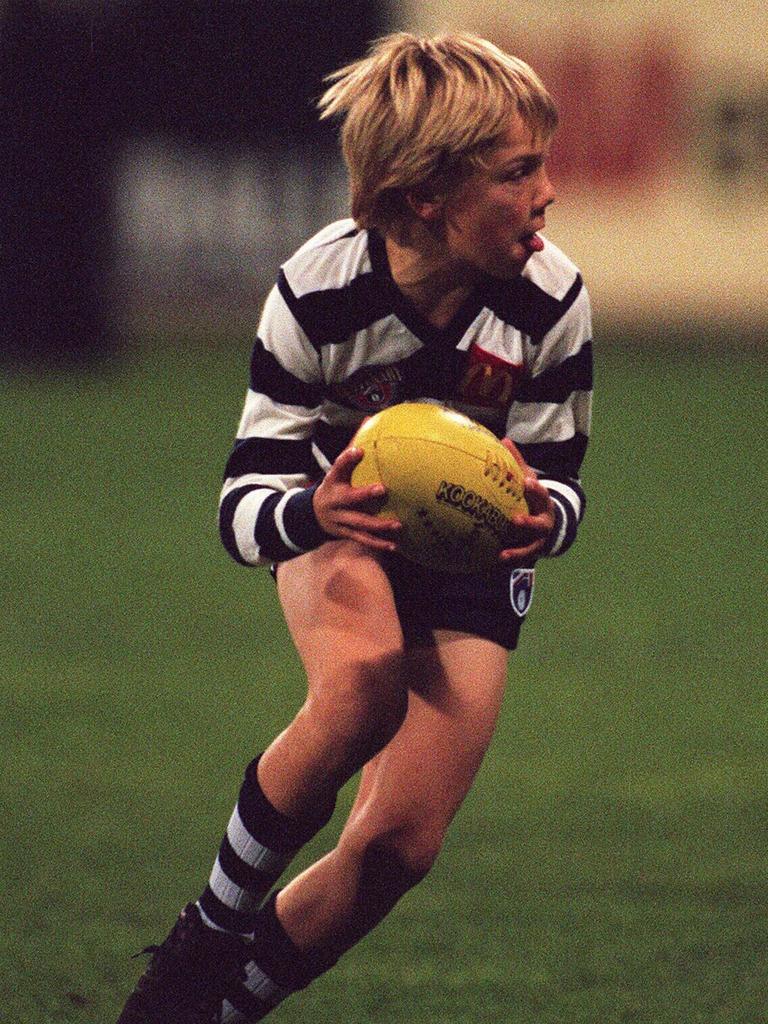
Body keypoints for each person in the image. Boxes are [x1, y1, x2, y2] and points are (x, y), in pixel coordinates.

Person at [116, 30, 592, 1024]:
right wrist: (314, 511)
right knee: (362, 687)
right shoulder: (318, 292)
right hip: (341, 518)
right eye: (518, 170)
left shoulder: (552, 299)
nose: (547, 191)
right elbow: (242, 502)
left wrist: (546, 516)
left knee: (402, 846)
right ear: (429, 195)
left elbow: (560, 477)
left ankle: (216, 1013)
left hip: (468, 555)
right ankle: (208, 930)